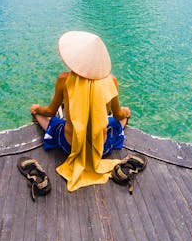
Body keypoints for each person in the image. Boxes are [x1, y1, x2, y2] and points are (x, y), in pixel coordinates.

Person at [30, 30, 132, 191]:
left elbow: (50, 111)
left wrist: (37, 109)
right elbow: (118, 114)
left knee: (53, 122)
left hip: (69, 146)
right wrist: (126, 112)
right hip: (101, 148)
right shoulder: (111, 81)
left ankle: (39, 118)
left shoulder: (64, 80)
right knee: (115, 122)